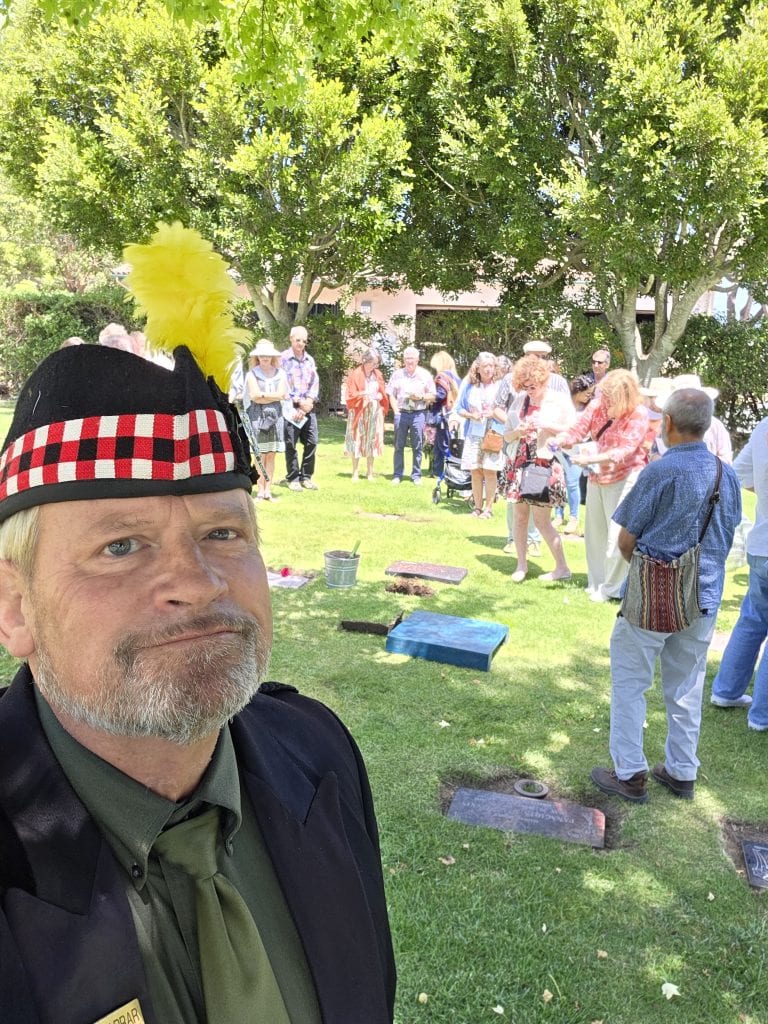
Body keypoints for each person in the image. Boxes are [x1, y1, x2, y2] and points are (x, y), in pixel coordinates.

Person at [0, 239, 395, 1022]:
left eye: (224, 534)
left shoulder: (319, 754)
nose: (198, 583)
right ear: (15, 608)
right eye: (121, 546)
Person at [591, 389, 741, 803]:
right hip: (705, 594)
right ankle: (681, 771)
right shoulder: (724, 473)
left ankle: (630, 773)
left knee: (630, 682)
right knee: (686, 686)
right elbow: (727, 536)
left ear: (669, 423)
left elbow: (626, 540)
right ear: (707, 424)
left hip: (653, 593)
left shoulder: (661, 470)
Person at [553, 369, 649, 603]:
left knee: (616, 535)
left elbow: (624, 451)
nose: (604, 401)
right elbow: (578, 430)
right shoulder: (598, 405)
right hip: (597, 477)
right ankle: (596, 582)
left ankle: (613, 589)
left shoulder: (638, 414)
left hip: (625, 477)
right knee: (594, 534)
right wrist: (560, 439)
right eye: (603, 395)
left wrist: (589, 460)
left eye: (610, 396)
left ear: (624, 396)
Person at [710, 414, 768, 731]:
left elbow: (739, 475)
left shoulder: (763, 426)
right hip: (761, 541)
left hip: (761, 544)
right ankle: (761, 715)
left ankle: (727, 690)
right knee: (753, 618)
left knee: (753, 618)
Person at [502, 354, 575, 581]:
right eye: (525, 386)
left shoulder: (559, 400)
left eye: (533, 386)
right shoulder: (519, 401)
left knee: (542, 520)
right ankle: (521, 565)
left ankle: (562, 567)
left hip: (541, 464)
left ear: (543, 380)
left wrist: (546, 425)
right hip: (519, 464)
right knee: (520, 516)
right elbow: (507, 435)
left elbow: (572, 432)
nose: (529, 390)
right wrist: (518, 432)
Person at [455, 352, 502, 519]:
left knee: (490, 470)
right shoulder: (470, 386)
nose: (488, 369)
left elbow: (507, 409)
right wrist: (470, 415)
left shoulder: (500, 386)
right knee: (475, 470)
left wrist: (494, 413)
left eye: (491, 366)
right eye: (485, 367)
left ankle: (489, 509)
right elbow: (459, 408)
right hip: (474, 432)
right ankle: (477, 507)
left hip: (492, 432)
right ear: (478, 369)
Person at [386, 346, 436, 485]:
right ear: (404, 360)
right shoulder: (397, 374)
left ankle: (416, 475)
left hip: (418, 414)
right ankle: (397, 474)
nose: (409, 361)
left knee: (417, 445)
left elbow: (433, 395)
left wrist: (421, 396)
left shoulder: (425, 375)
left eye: (412, 358)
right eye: (407, 358)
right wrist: (395, 410)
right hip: (401, 413)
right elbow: (390, 393)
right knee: (398, 445)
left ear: (417, 360)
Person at [247, 338, 289, 501]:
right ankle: (260, 489)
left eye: (268, 355)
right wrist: (271, 396)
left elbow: (282, 394)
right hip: (257, 415)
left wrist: (264, 396)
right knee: (259, 454)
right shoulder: (252, 374)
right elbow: (254, 396)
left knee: (271, 454)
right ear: (257, 356)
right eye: (262, 355)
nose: (265, 357)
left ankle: (268, 490)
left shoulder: (281, 374)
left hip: (276, 416)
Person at [280, 325, 320, 492]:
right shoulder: (282, 359)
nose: (301, 344)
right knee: (291, 444)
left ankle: (306, 477)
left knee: (312, 442)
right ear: (291, 339)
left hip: (308, 408)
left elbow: (314, 383)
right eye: (298, 340)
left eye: (304, 341)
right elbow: (282, 385)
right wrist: (297, 402)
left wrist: (308, 402)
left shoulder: (310, 360)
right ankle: (293, 478)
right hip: (291, 408)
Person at [344, 347, 389, 481]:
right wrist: (363, 394)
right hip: (359, 410)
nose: (375, 366)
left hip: (374, 410)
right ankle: (355, 472)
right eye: (373, 363)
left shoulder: (378, 374)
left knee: (372, 440)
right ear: (365, 361)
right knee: (357, 439)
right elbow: (350, 395)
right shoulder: (355, 374)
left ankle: (370, 472)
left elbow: (382, 391)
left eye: (377, 363)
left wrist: (380, 395)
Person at [427, 350, 460, 477]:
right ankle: (438, 470)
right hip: (453, 414)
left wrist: (427, 397)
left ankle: (444, 471)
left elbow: (441, 395)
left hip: (443, 414)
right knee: (446, 443)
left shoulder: (442, 377)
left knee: (443, 444)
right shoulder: (455, 377)